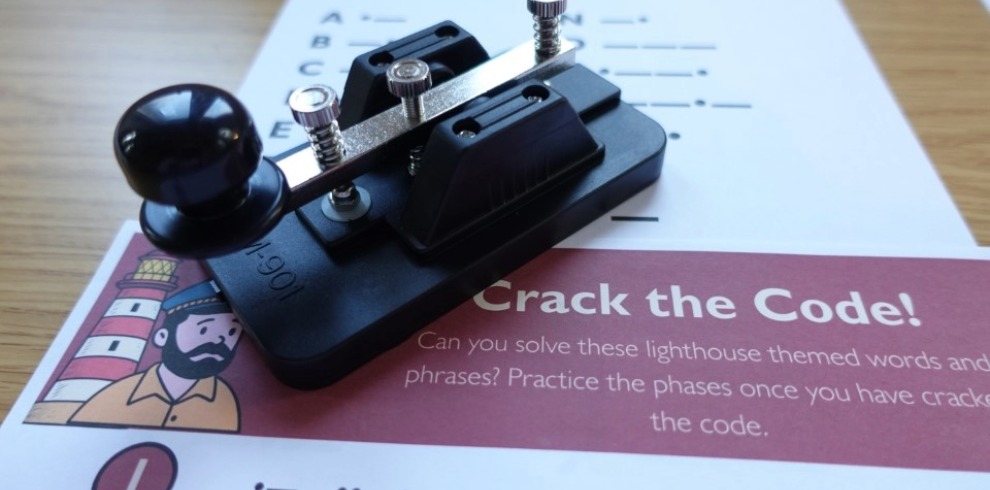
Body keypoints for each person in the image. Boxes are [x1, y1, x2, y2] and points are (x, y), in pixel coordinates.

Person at [70, 281, 243, 432]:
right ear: (162, 336)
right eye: (203, 329)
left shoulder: (225, 400)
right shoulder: (114, 398)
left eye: (231, 332)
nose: (220, 339)